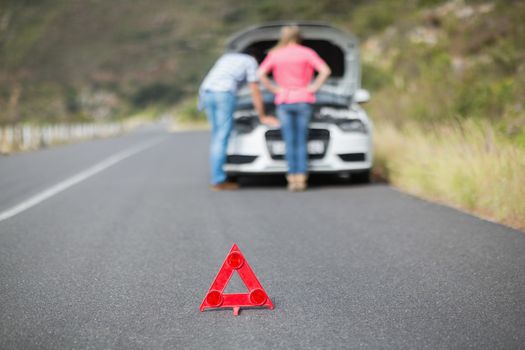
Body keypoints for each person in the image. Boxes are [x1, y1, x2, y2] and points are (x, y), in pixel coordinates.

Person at [257, 25, 331, 191]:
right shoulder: (307, 53)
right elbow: (325, 70)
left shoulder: (275, 54)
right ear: (299, 37)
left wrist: (274, 89)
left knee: (289, 141)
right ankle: (302, 178)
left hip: (284, 100)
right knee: (301, 140)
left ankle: (291, 178)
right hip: (304, 98)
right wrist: (313, 87)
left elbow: (260, 74)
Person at [200, 50, 279, 191]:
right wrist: (262, 116)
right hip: (223, 94)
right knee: (221, 137)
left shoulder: (226, 57)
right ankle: (218, 180)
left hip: (206, 93)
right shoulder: (250, 61)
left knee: (217, 136)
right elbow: (254, 90)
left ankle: (218, 175)